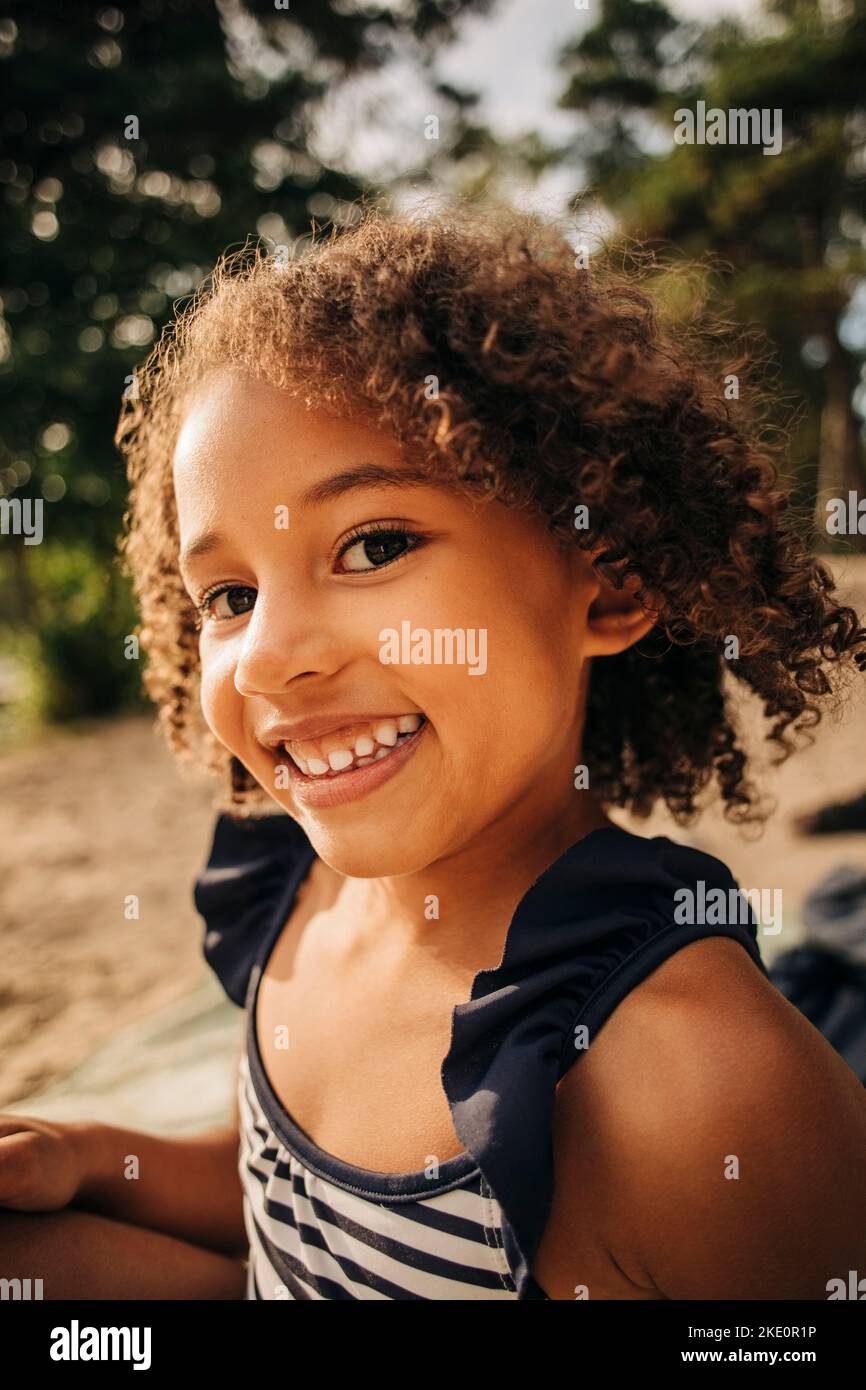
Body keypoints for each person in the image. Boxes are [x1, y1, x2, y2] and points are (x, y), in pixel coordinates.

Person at [2, 204, 866, 1300]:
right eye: (227, 594)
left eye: (372, 545)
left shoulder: (693, 1081)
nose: (268, 658)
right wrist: (88, 1156)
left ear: (610, 583)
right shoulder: (300, 897)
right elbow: (279, 1196)